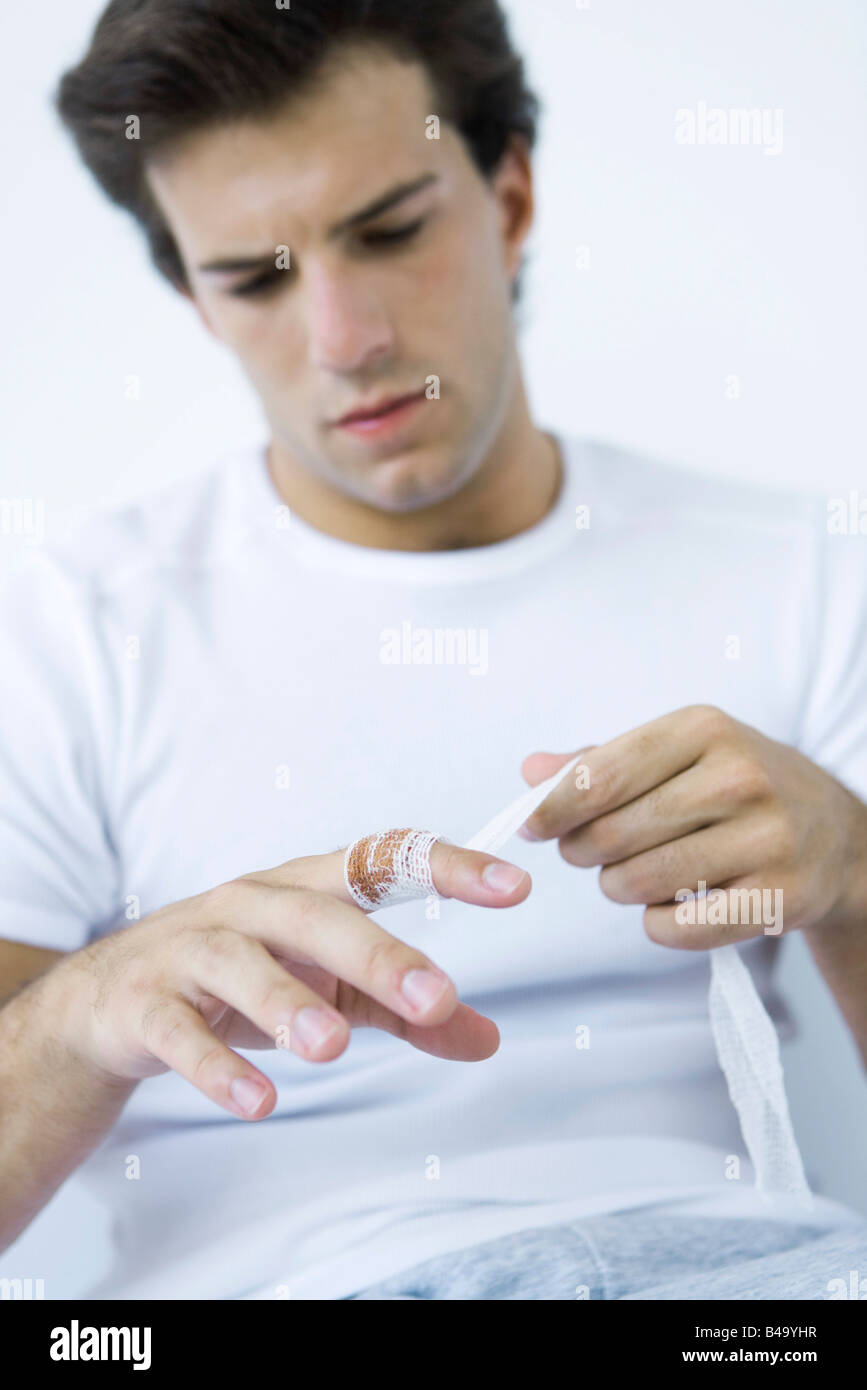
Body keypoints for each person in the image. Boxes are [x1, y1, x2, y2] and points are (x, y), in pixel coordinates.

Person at [1, 0, 865, 1302]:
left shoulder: (804, 571)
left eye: (392, 231)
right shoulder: (68, 629)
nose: (346, 338)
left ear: (509, 195)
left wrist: (852, 865)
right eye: (255, 278)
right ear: (192, 297)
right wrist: (81, 1013)